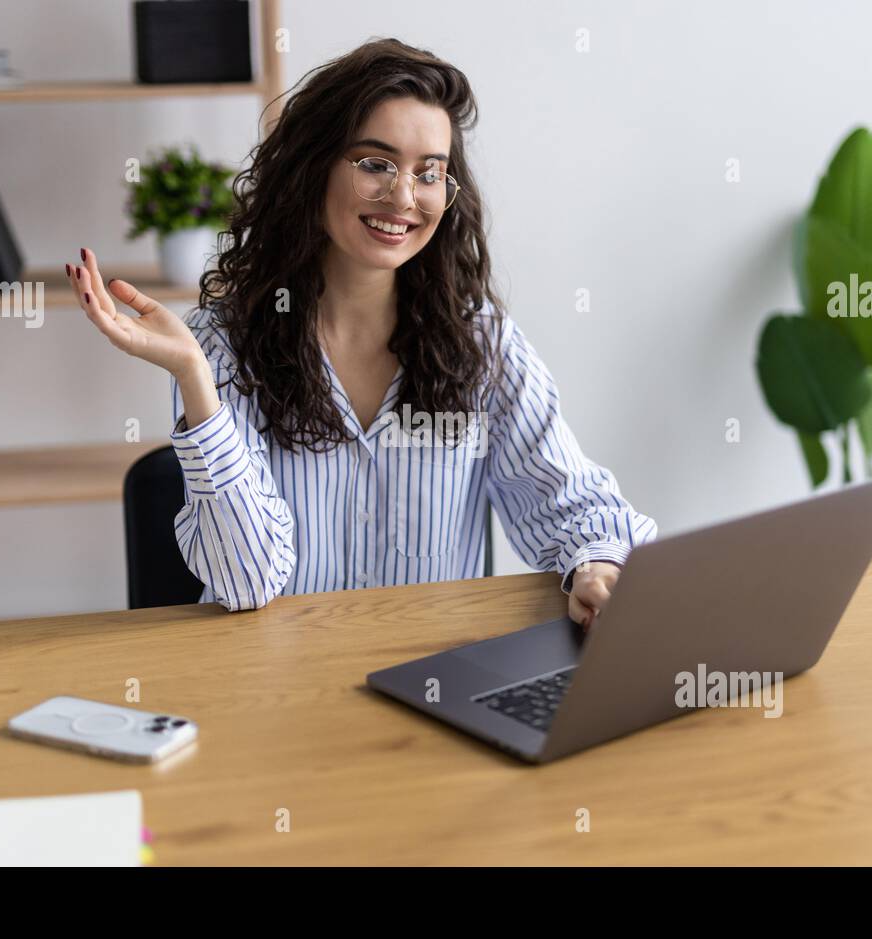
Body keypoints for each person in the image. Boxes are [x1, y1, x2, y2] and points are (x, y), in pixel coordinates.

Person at [67, 38, 655, 630]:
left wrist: (596, 565)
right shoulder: (225, 342)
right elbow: (245, 582)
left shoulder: (484, 343)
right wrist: (194, 377)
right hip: (270, 693)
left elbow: (572, 502)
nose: (404, 197)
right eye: (375, 163)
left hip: (430, 687)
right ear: (314, 168)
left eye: (430, 173)